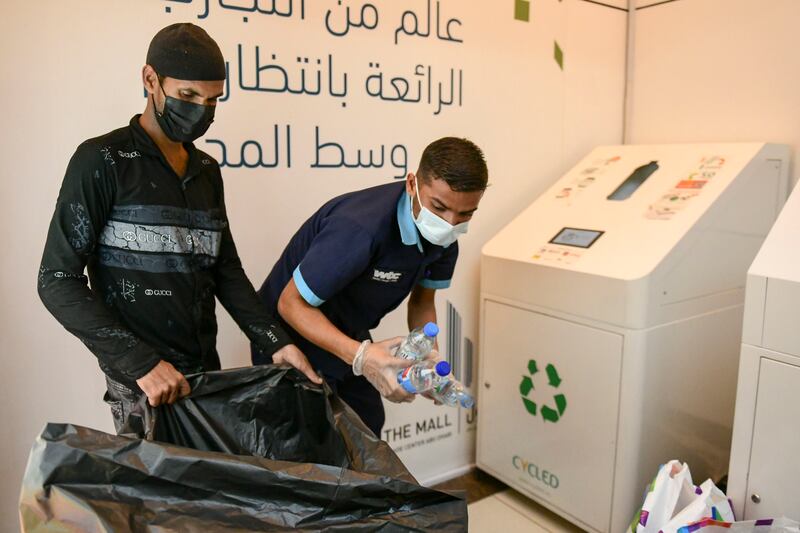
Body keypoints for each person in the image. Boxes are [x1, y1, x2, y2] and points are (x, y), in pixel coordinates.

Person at [38, 23, 320, 432]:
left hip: (206, 375)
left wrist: (277, 342)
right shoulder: (102, 160)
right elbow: (56, 280)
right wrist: (140, 362)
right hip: (142, 386)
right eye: (188, 96)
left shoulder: (207, 171)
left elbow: (225, 272)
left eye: (212, 100)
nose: (200, 111)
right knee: (155, 496)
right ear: (150, 79)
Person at [253, 138, 488, 436]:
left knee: (367, 427)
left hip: (348, 331)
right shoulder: (360, 228)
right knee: (311, 446)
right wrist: (363, 357)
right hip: (290, 334)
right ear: (411, 184)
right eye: (439, 207)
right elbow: (290, 303)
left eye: (466, 214)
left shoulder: (445, 238)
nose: (450, 223)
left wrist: (430, 359)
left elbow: (422, 302)